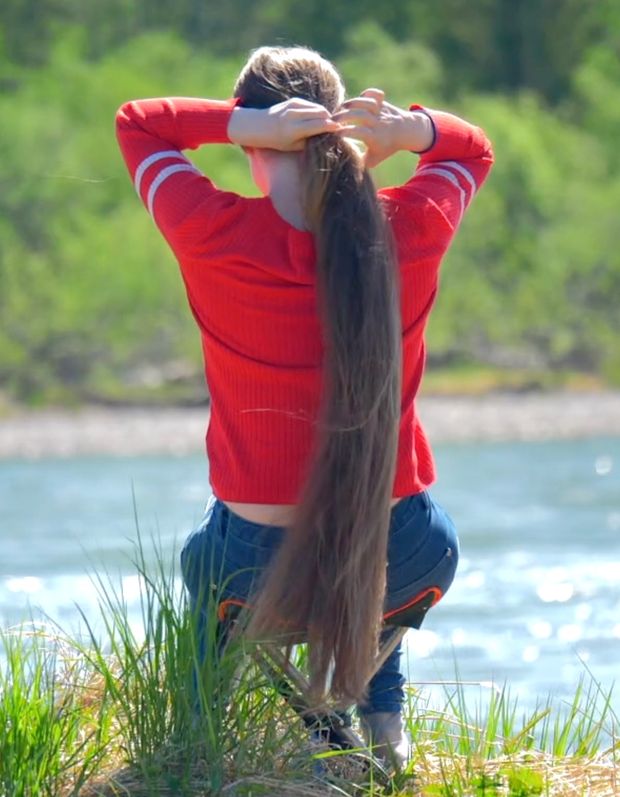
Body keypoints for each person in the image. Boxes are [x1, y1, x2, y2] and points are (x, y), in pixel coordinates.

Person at [116, 45, 494, 766]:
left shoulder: (213, 234)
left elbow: (138, 124)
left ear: (258, 143)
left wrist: (240, 124)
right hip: (414, 556)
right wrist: (407, 133)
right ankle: (385, 732)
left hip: (255, 577)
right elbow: (473, 152)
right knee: (368, 536)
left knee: (208, 557)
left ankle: (192, 749)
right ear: (347, 139)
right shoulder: (413, 228)